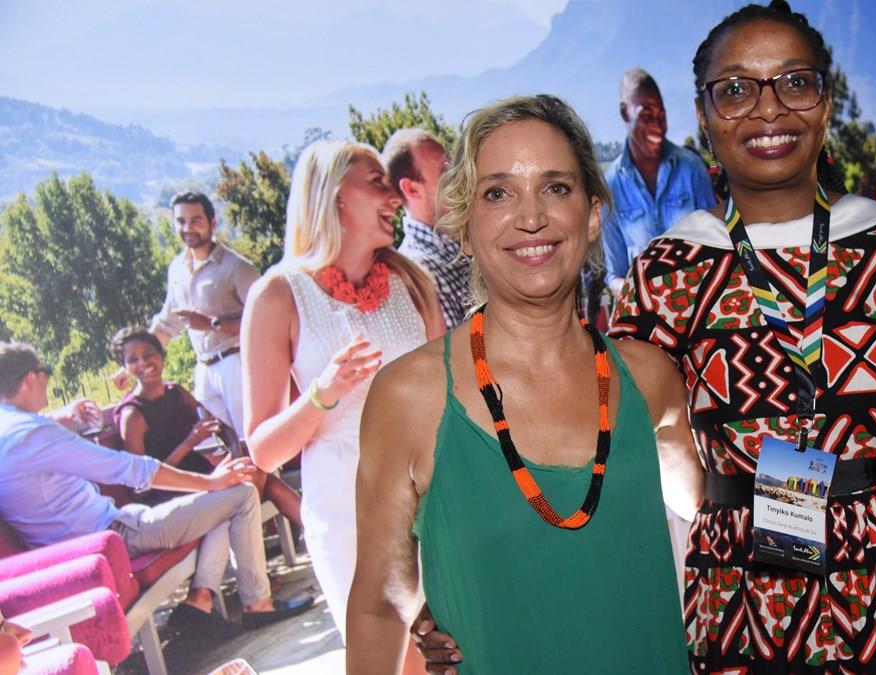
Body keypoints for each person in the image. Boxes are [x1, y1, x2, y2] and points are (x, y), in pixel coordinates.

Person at [415, 3, 876, 673]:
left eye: (795, 82)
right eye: (736, 89)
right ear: (704, 113)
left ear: (826, 101)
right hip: (750, 619)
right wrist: (470, 588)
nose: (768, 108)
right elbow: (599, 461)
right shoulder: (667, 273)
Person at [346, 94, 701, 674]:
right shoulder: (410, 398)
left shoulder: (649, 378)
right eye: (498, 193)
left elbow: (708, 513)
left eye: (556, 187)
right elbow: (381, 606)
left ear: (592, 214)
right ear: (464, 226)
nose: (531, 217)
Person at [241, 139, 445, 642]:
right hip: (347, 516)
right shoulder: (277, 296)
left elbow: (450, 394)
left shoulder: (414, 282)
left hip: (430, 503)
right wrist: (323, 393)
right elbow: (264, 450)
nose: (394, 197)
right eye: (376, 183)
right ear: (335, 196)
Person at [0, 342, 311, 637]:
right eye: (45, 373)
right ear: (30, 378)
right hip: (114, 535)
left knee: (221, 504)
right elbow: (128, 468)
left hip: (73, 547)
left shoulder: (11, 432)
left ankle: (200, 600)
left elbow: (35, 443)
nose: (47, 381)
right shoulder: (36, 435)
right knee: (240, 494)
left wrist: (66, 417)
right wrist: (211, 481)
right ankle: (257, 604)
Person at [111, 327, 301, 525]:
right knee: (254, 480)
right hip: (171, 494)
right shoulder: (133, 415)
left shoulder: (176, 392)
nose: (143, 362)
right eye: (133, 360)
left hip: (202, 477)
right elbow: (140, 487)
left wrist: (235, 450)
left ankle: (310, 528)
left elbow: (217, 424)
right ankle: (245, 528)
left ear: (161, 355)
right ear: (125, 367)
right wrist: (190, 442)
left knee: (255, 468)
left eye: (149, 354)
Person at [125, 192, 260, 440]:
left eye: (196, 220)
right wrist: (132, 363)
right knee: (221, 443)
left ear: (212, 222)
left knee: (250, 438)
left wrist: (212, 324)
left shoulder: (237, 268)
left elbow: (264, 324)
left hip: (236, 363)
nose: (188, 228)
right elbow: (167, 324)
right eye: (181, 221)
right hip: (203, 369)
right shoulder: (177, 269)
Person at [600, 68, 717, 298]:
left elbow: (717, 248)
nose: (658, 126)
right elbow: (614, 276)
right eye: (646, 115)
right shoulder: (610, 185)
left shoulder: (691, 168)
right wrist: (644, 296)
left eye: (661, 116)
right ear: (625, 112)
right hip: (644, 315)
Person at [384, 129, 473, 328]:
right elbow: (467, 346)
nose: (457, 177)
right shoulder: (420, 273)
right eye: (444, 171)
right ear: (411, 189)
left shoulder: (462, 237)